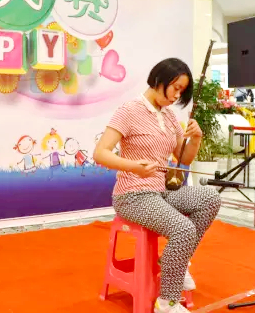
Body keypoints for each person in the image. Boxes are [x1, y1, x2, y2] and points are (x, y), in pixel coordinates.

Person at [93, 58, 221, 313]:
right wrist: (134, 167)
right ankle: (167, 303)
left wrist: (196, 138)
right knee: (183, 229)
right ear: (160, 80)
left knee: (210, 198)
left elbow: (184, 159)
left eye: (182, 91)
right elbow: (100, 153)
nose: (177, 95)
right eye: (176, 88)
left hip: (161, 192)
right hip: (132, 196)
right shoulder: (129, 110)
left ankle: (175, 261)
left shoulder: (170, 116)